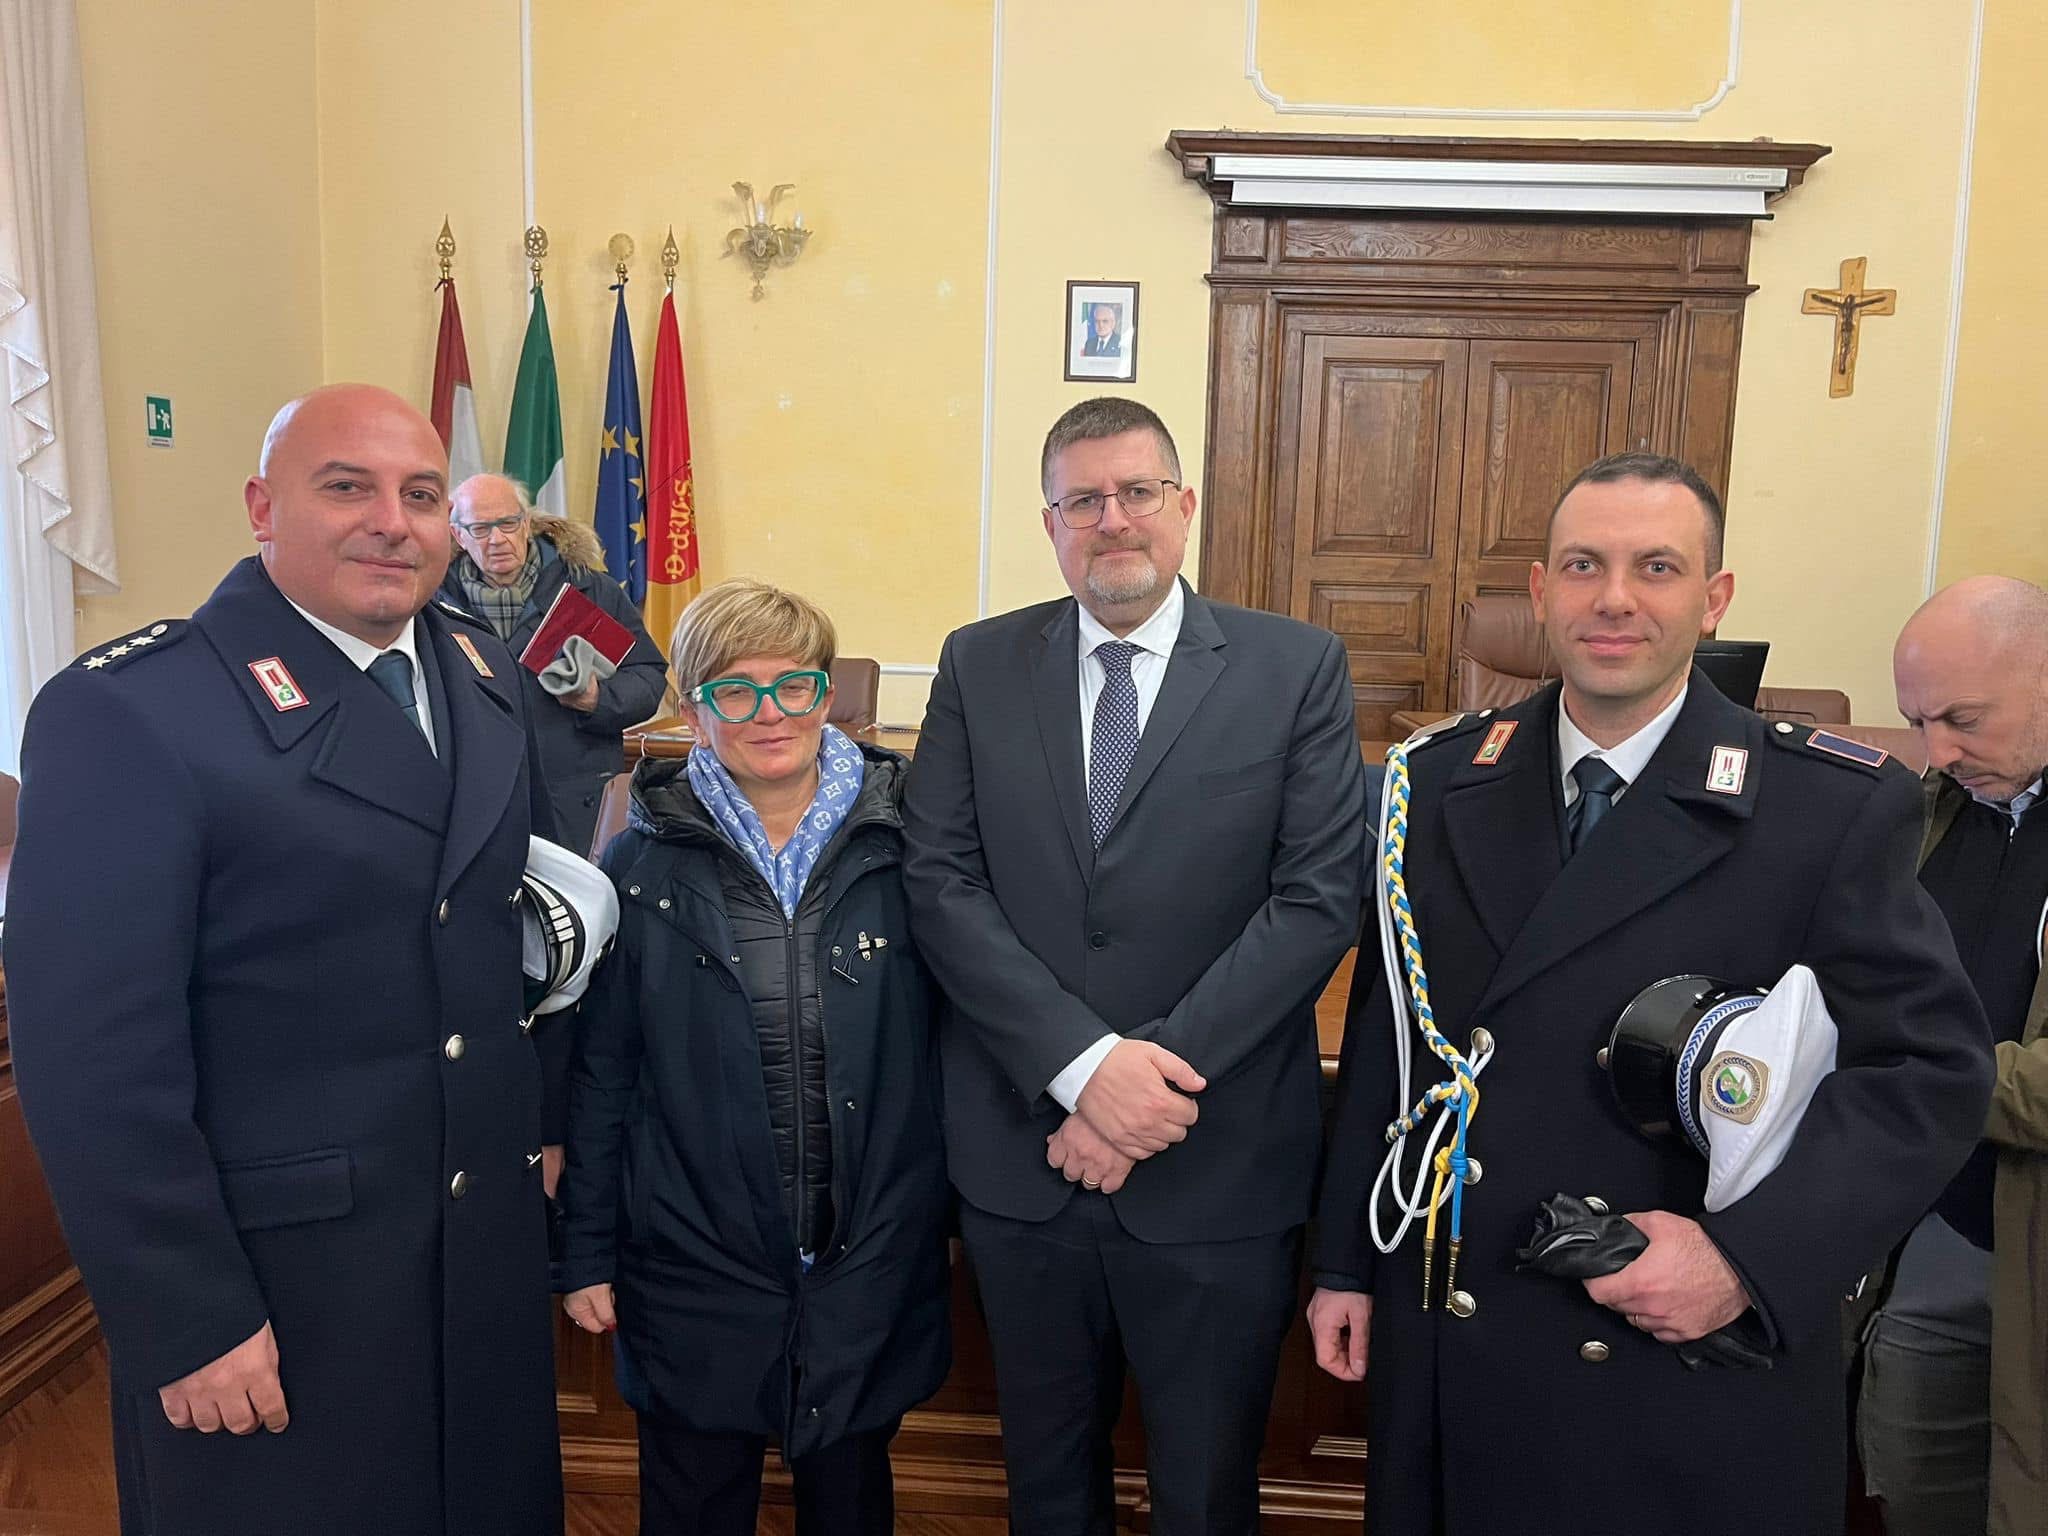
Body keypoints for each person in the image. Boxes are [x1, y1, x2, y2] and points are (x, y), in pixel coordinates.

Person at [1309, 451, 1993, 1536]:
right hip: (1461, 1318)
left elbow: (1926, 1073)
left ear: (1711, 598)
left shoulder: (1823, 808)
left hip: (1681, 1348)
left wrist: (1746, 1259)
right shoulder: (1434, 784)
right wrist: (1346, 1258)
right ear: (1539, 592)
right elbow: (1399, 1046)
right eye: (1582, 566)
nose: (1613, 598)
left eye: (1656, 567)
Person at [3, 385, 565, 1536]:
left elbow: (501, 948)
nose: (391, 522)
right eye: (345, 486)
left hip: (473, 1249)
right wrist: (186, 1313)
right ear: (263, 506)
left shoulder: (484, 680)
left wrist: (537, 1127)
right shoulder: (136, 712)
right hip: (282, 1284)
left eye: (418, 495)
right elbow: (93, 1063)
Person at [901, 397, 1365, 1535]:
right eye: (1082, 500)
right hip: (1023, 1158)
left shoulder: (1292, 665)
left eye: (1136, 492)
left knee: (1207, 1491)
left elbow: (1314, 902)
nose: (1112, 520)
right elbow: (939, 882)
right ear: (1050, 522)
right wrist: (1077, 1068)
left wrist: (1140, 1079)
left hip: (1215, 1164)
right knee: (1045, 1486)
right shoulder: (978, 663)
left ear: (1182, 506)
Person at [558, 578, 950, 1536]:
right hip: (691, 1259)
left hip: (868, 1251)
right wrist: (585, 1252)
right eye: (735, 690)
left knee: (852, 1495)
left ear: (830, 695)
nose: (769, 714)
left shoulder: (917, 848)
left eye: (794, 685)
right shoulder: (638, 865)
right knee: (693, 1495)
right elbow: (603, 1077)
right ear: (693, 711)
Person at [1864, 576, 2048, 1536]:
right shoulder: (1932, 808)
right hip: (1933, 1231)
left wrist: (1911, 1065)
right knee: (1911, 1479)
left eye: (1962, 718)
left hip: (2033, 1238)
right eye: (1918, 720)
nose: (1937, 750)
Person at [443, 472, 668, 857]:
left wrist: (599, 699)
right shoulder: (433, 603)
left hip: (574, 800)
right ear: (458, 536)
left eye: (508, 524)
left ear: (526, 524)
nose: (497, 540)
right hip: (472, 798)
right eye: (480, 529)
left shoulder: (590, 589)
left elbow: (648, 676)